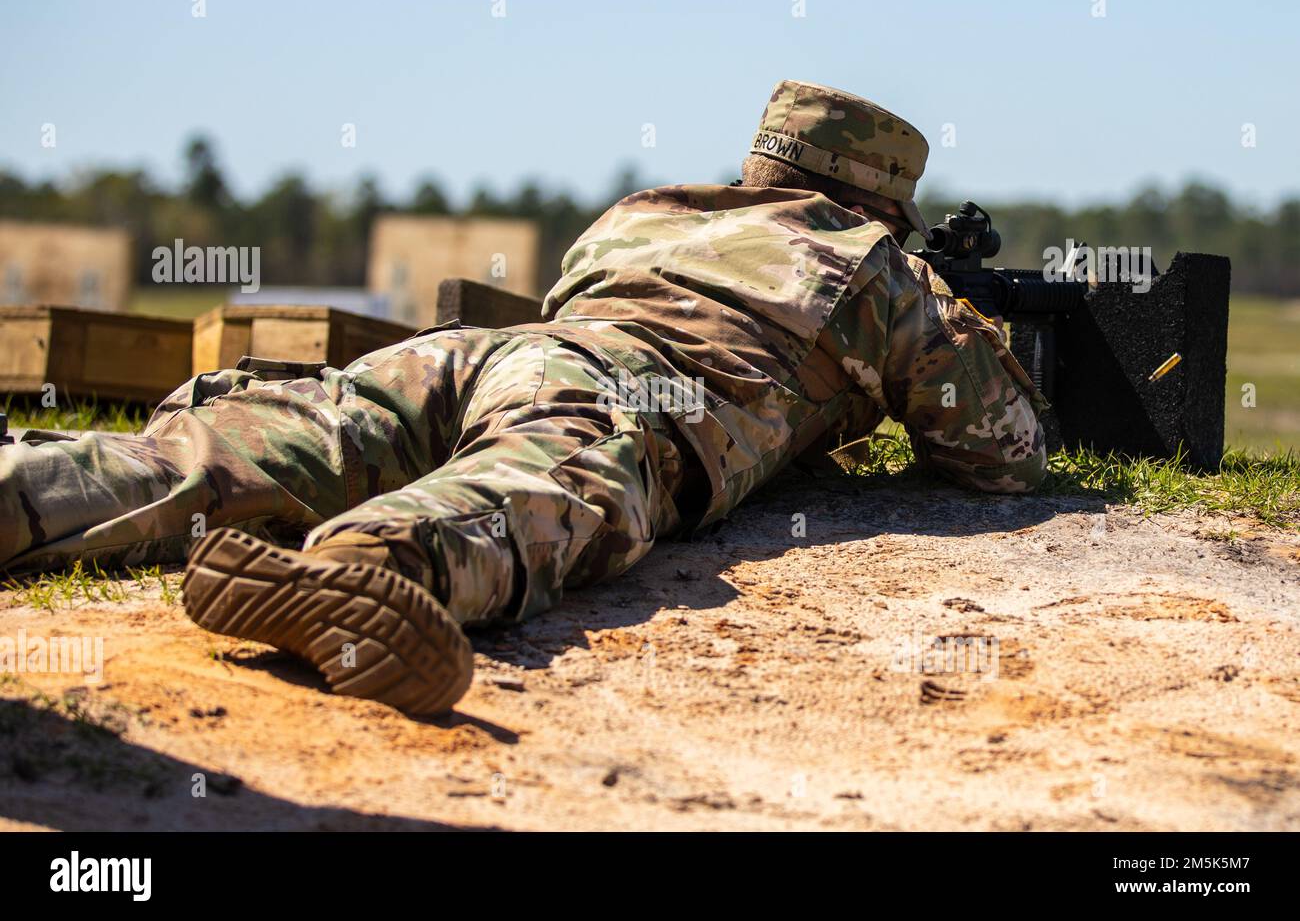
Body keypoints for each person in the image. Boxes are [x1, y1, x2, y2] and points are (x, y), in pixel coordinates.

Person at [0, 80, 1046, 714]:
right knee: (545, 484)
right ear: (881, 201)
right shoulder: (866, 264)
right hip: (627, 386)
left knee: (271, 437)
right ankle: (374, 569)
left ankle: (33, 485)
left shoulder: (647, 208)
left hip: (481, 353)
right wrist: (954, 322)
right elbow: (998, 454)